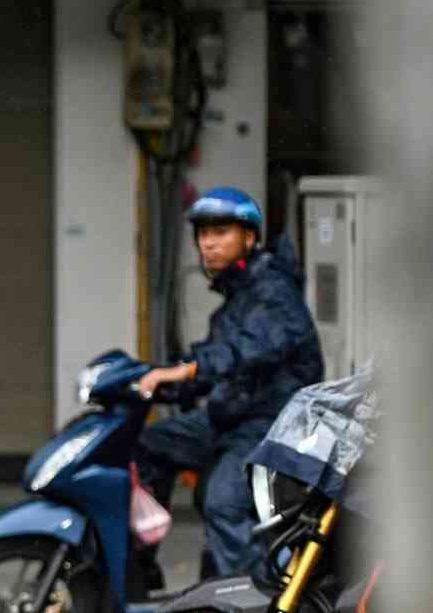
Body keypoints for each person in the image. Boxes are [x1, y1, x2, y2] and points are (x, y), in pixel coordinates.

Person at [132, 187, 324, 577]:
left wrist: (185, 372)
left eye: (220, 232)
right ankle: (139, 564)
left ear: (249, 237)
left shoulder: (273, 291)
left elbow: (247, 351)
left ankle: (252, 606)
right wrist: (162, 383)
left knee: (223, 500)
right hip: (231, 414)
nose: (208, 243)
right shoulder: (241, 294)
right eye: (203, 234)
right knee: (148, 445)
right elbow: (221, 364)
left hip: (269, 424)